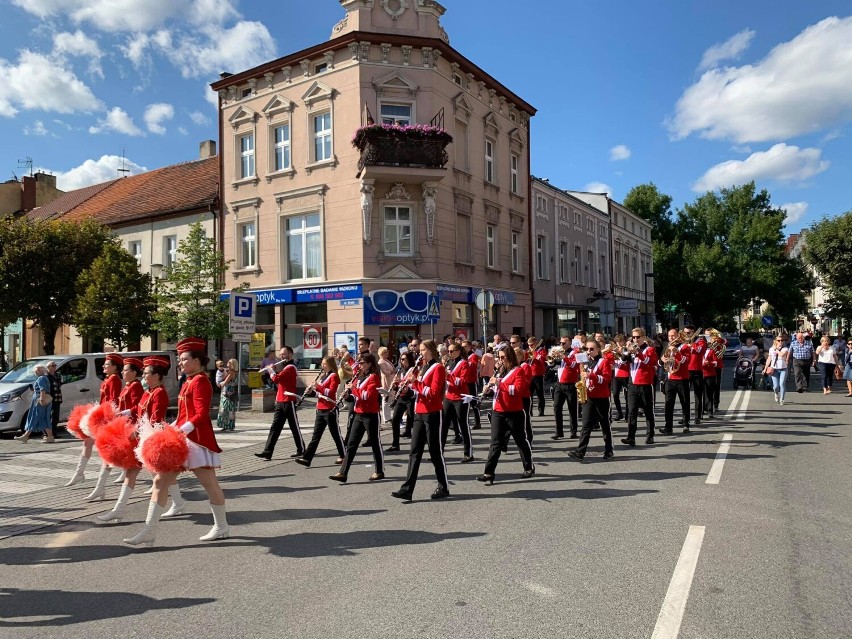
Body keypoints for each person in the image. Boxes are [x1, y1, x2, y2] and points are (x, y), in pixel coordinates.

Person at [124, 337, 229, 546]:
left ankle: (221, 526)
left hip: (197, 441)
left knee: (210, 484)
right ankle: (149, 530)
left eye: (183, 359)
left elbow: (201, 413)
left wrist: (181, 429)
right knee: (160, 481)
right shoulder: (188, 381)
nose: (180, 363)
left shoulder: (200, 381)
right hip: (182, 439)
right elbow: (183, 413)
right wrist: (172, 429)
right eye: (180, 359)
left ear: (197, 361)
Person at [97, 356, 166, 523]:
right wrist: (125, 414)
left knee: (162, 475)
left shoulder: (158, 392)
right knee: (142, 472)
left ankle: (177, 505)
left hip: (149, 437)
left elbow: (155, 418)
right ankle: (118, 509)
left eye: (146, 373)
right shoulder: (149, 391)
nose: (143, 377)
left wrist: (139, 431)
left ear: (156, 375)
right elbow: (139, 410)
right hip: (140, 434)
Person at [392, 340, 450, 501]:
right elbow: (418, 391)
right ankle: (407, 489)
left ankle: (443, 486)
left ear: (431, 350)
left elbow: (432, 392)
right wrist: (404, 387)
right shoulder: (423, 367)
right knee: (414, 452)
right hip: (419, 413)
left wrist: (415, 383)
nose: (420, 352)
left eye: (423, 350)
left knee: (435, 451)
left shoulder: (438, 368)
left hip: (432, 413)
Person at [477, 344, 534, 485]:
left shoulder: (518, 371)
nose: (501, 360)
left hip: (514, 411)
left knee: (520, 440)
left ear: (510, 357)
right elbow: (498, 389)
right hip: (498, 411)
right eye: (499, 357)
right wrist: (488, 390)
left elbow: (517, 390)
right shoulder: (500, 371)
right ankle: (489, 472)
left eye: (503, 357)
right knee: (495, 443)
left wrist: (499, 383)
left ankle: (529, 467)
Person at [65, 353, 123, 490]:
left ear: (115, 367)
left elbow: (113, 401)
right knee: (88, 442)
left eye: (107, 364)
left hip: (106, 417)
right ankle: (80, 473)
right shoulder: (108, 378)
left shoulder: (114, 379)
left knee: (108, 447)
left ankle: (123, 472)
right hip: (101, 414)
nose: (104, 366)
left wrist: (106, 416)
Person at [329, 353, 384, 483]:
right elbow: (357, 397)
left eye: (362, 363)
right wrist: (348, 396)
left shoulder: (373, 377)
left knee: (375, 443)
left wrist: (353, 389)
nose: (360, 365)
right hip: (359, 414)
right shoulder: (358, 377)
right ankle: (343, 473)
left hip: (371, 415)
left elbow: (368, 396)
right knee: (352, 444)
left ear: (369, 364)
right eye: (359, 363)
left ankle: (379, 470)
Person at [568, 340, 614, 461]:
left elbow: (606, 379)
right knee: (586, 425)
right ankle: (580, 452)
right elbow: (583, 375)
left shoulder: (604, 362)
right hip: (589, 397)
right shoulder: (586, 362)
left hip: (602, 397)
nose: (589, 351)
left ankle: (609, 450)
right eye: (587, 349)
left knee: (604, 424)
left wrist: (591, 376)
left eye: (591, 349)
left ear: (598, 349)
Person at [296, 355, 345, 467]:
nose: (322, 366)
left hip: (330, 408)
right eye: (322, 364)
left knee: (335, 434)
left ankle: (343, 455)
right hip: (320, 408)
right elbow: (320, 394)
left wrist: (317, 387)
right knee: (316, 436)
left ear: (330, 365)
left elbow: (330, 392)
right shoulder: (323, 376)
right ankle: (307, 459)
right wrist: (311, 392)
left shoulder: (334, 376)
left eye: (324, 364)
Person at [256, 346, 304, 460]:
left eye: (284, 354)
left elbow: (277, 379)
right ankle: (268, 451)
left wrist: (270, 370)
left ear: (290, 355)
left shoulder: (291, 367)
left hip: (288, 400)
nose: (281, 356)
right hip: (280, 400)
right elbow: (278, 379)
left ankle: (301, 449)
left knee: (294, 426)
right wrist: (272, 370)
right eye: (281, 354)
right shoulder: (285, 367)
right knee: (275, 427)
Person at [622, 327, 658, 447]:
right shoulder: (631, 349)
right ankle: (631, 437)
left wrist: (637, 352)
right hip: (632, 385)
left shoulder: (650, 349)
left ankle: (650, 435)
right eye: (634, 337)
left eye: (638, 337)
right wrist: (626, 351)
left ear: (643, 337)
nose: (635, 339)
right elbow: (623, 362)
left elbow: (649, 362)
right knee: (631, 412)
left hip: (645, 384)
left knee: (648, 411)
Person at [442, 342, 472, 460]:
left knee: (463, 424)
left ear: (458, 351)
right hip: (448, 397)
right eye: (448, 351)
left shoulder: (464, 363)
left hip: (461, 397)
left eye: (451, 351)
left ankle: (468, 453)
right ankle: (440, 452)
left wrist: (448, 376)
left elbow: (463, 381)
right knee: (444, 425)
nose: (449, 353)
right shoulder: (449, 362)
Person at [660, 328, 691, 435]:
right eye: (669, 336)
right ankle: (668, 427)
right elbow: (661, 362)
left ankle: (686, 424)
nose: (671, 338)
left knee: (685, 403)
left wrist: (676, 352)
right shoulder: (668, 347)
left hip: (682, 379)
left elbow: (686, 361)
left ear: (678, 336)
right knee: (668, 404)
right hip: (670, 379)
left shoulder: (685, 346)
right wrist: (663, 360)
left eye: (673, 335)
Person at [14, 364, 54, 443]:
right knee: (41, 417)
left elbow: (43, 389)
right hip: (40, 401)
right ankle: (26, 436)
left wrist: (41, 399)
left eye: (37, 370)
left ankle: (49, 437)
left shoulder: (41, 378)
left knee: (38, 417)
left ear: (42, 370)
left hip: (39, 402)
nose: (35, 371)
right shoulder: (44, 378)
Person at [387, 351, 417, 451]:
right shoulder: (401, 370)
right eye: (401, 359)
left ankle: (419, 439)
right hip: (401, 397)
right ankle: (395, 444)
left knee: (413, 419)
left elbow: (414, 385)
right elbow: (399, 387)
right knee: (395, 419)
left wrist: (400, 382)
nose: (401, 361)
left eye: (403, 359)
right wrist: (395, 386)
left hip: (411, 398)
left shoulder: (414, 370)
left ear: (409, 359)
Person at [552, 335, 581, 439]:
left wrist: (564, 357)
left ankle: (573, 431)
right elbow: (555, 366)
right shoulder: (560, 352)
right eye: (560, 343)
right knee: (556, 407)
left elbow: (573, 365)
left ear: (569, 343)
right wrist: (552, 361)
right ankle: (558, 431)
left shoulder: (575, 352)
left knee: (572, 408)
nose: (561, 345)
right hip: (559, 384)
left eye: (563, 343)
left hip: (570, 384)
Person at [684, 326, 704, 424]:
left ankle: (697, 416)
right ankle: (685, 417)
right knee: (684, 395)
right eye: (685, 333)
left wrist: (691, 343)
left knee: (698, 394)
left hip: (696, 370)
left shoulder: (700, 341)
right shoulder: (683, 343)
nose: (685, 335)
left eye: (688, 333)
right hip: (686, 371)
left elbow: (699, 351)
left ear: (693, 332)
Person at [610, 334, 630, 421]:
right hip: (616, 375)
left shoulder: (626, 349)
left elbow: (624, 360)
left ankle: (628, 414)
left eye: (620, 342)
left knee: (627, 396)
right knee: (615, 394)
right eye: (617, 342)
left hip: (625, 374)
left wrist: (618, 352)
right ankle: (619, 412)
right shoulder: (613, 350)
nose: (618, 344)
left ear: (623, 341)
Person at [462, 340, 481, 430]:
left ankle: (477, 422)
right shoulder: (462, 356)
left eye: (465, 346)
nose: (464, 348)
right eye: (462, 346)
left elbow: (472, 366)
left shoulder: (473, 356)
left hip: (471, 382)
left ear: (470, 347)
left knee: (474, 403)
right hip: (464, 383)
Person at [766, 337, 790, 405]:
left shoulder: (785, 348)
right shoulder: (771, 349)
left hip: (783, 369)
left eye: (782, 340)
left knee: (782, 384)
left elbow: (782, 355)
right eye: (778, 340)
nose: (780, 342)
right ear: (775, 341)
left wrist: (775, 349)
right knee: (776, 386)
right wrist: (765, 368)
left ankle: (782, 399)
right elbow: (769, 358)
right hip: (774, 369)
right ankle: (776, 393)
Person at [527, 336, 547, 416]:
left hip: (538, 375)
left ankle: (541, 410)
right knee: (529, 394)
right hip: (530, 375)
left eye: (531, 345)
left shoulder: (541, 350)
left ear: (535, 343)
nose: (530, 347)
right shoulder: (529, 351)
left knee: (540, 394)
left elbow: (543, 359)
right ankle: (529, 411)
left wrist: (535, 353)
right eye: (529, 345)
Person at [216, 358, 238, 431]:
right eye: (228, 362)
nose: (228, 363)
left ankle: (228, 425)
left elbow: (225, 382)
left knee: (227, 408)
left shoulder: (232, 372)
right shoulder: (228, 371)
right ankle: (226, 425)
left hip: (228, 392)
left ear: (233, 364)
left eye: (230, 362)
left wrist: (219, 383)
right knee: (227, 408)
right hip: (227, 392)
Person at [702, 340, 720, 418]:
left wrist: (708, 362)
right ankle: (703, 409)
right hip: (701, 374)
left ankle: (710, 410)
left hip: (710, 374)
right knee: (702, 393)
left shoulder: (711, 351)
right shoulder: (698, 352)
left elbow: (716, 363)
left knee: (709, 393)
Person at [377, 346, 396, 423]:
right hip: (386, 382)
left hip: (391, 381)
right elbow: (384, 372)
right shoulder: (381, 361)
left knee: (390, 399)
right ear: (381, 353)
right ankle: (386, 418)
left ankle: (388, 416)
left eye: (387, 352)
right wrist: (392, 372)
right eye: (385, 352)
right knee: (386, 399)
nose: (387, 353)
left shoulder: (386, 360)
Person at [46, 361, 62, 437]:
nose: (54, 367)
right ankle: (47, 433)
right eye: (52, 365)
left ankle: (54, 433)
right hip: (49, 398)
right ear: (48, 367)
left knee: (55, 416)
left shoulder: (57, 375)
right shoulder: (46, 376)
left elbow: (60, 384)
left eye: (55, 365)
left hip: (57, 398)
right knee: (48, 416)